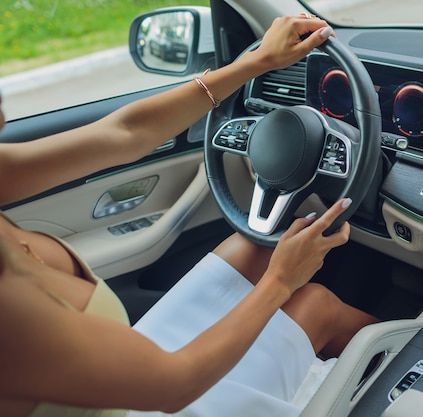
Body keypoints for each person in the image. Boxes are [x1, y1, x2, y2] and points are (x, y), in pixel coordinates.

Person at [0, 15, 378, 417]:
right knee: (315, 302)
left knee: (253, 245)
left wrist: (256, 63)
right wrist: (281, 282)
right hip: (157, 396)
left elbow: (126, 133)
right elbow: (175, 385)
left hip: (122, 359)